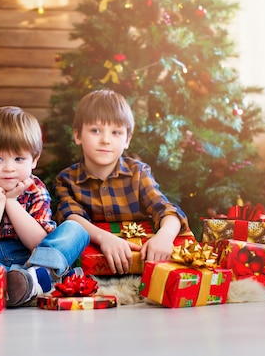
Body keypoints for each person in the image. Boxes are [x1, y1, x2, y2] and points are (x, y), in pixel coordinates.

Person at [0, 106, 89, 307]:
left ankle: (33, 278)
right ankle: (25, 283)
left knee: (75, 230)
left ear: (34, 160)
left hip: (34, 259)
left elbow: (40, 243)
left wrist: (11, 203)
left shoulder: (35, 189)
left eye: (19, 159)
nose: (9, 168)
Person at [54, 89, 192, 275]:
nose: (105, 140)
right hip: (92, 270)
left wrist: (165, 237)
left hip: (142, 262)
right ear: (78, 135)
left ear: (127, 140)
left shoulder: (138, 173)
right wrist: (105, 239)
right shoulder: (67, 179)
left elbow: (168, 211)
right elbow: (71, 217)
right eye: (95, 130)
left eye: (116, 132)